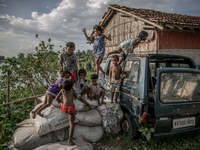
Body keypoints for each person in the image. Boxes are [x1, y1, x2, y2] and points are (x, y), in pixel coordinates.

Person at [56, 79, 76, 145]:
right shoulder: (72, 91)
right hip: (71, 108)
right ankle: (70, 139)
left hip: (64, 108)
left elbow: (56, 99)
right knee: (71, 124)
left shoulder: (62, 91)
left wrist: (61, 101)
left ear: (63, 86)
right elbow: (75, 97)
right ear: (71, 86)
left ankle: (62, 104)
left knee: (62, 104)